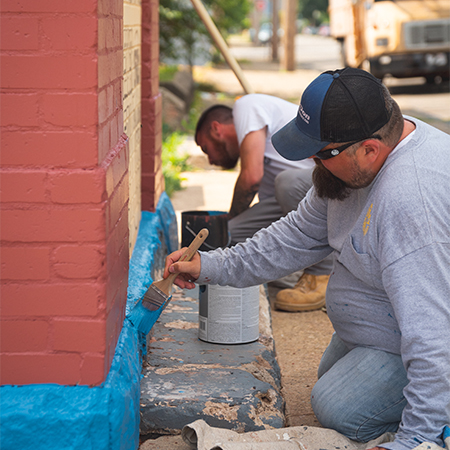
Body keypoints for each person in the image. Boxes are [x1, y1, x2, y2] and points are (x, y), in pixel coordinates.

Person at [165, 68, 450, 449]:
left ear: (369, 149)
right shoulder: (357, 167)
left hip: (434, 333)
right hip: (388, 324)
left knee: (339, 408)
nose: (312, 161)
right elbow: (293, 238)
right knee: (331, 381)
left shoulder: (409, 203)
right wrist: (210, 266)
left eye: (321, 153)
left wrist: (417, 437)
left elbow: (433, 334)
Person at [195, 94, 331, 311]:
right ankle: (296, 268)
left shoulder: (246, 106)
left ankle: (323, 275)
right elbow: (279, 218)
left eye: (205, 148)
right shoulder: (264, 160)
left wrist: (227, 216)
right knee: (232, 234)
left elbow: (250, 179)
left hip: (328, 184)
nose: (210, 160)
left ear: (216, 129)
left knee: (286, 183)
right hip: (298, 196)